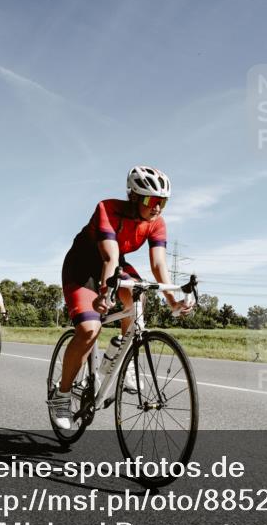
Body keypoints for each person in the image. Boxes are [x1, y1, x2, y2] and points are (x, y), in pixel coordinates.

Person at [49, 165, 194, 429]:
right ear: (134, 197)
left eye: (163, 202)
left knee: (140, 294)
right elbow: (109, 256)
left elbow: (159, 265)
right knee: (89, 330)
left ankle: (120, 357)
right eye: (152, 200)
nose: (158, 207)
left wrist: (173, 299)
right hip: (83, 266)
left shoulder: (156, 223)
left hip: (114, 266)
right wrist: (105, 291)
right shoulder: (108, 209)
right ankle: (62, 395)